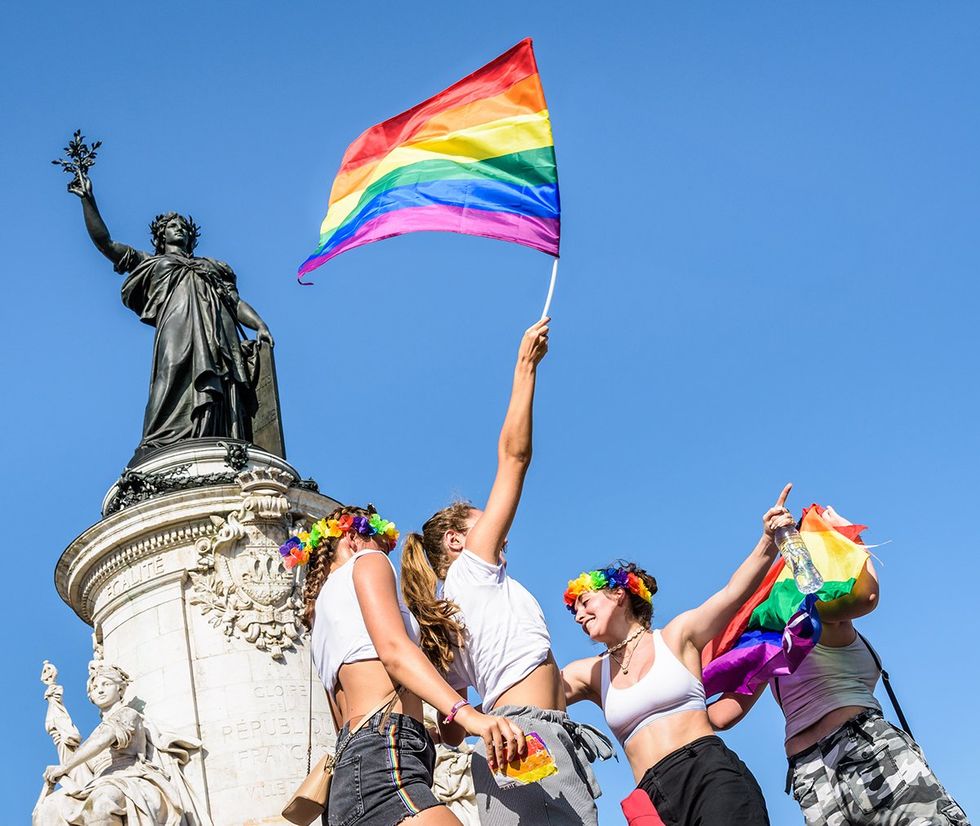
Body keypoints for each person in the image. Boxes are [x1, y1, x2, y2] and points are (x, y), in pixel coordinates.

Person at [401, 318, 614, 826]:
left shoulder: (450, 609)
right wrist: (525, 368)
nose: (495, 527)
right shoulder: (473, 568)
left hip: (521, 739)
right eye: (479, 520)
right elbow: (514, 458)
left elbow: (453, 729)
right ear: (458, 540)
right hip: (528, 736)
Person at [561, 486, 799, 826]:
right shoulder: (589, 674)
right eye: (574, 612)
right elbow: (528, 690)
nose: (579, 615)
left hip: (709, 776)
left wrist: (767, 540)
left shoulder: (677, 636)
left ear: (619, 595)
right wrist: (462, 713)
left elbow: (734, 593)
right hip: (650, 801)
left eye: (585, 602)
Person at [708, 519, 970, 825]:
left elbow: (721, 717)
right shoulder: (823, 620)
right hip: (861, 747)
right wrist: (851, 538)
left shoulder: (769, 644)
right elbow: (868, 596)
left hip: (809, 775)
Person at [294, 504, 526, 826]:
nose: (387, 553)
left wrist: (427, 732)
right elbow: (393, 651)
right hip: (386, 757)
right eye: (381, 541)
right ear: (352, 538)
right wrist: (468, 714)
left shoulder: (320, 615)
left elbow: (344, 718)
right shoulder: (368, 561)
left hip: (348, 778)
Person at [68, 171, 274, 458]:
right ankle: (158, 442)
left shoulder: (212, 266)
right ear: (160, 235)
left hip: (218, 329)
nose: (179, 229)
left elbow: (235, 302)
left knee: (221, 380)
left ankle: (215, 436)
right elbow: (107, 244)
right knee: (172, 371)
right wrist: (88, 201)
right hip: (177, 325)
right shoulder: (152, 263)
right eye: (172, 226)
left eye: (183, 227)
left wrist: (259, 324)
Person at [36, 659, 210, 826]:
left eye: (106, 684)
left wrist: (64, 767)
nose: (100, 690)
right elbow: (80, 770)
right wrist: (55, 706)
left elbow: (101, 741)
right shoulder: (94, 734)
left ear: (120, 689)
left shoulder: (128, 714)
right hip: (99, 783)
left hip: (130, 778)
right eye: (95, 687)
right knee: (50, 807)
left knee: (102, 803)